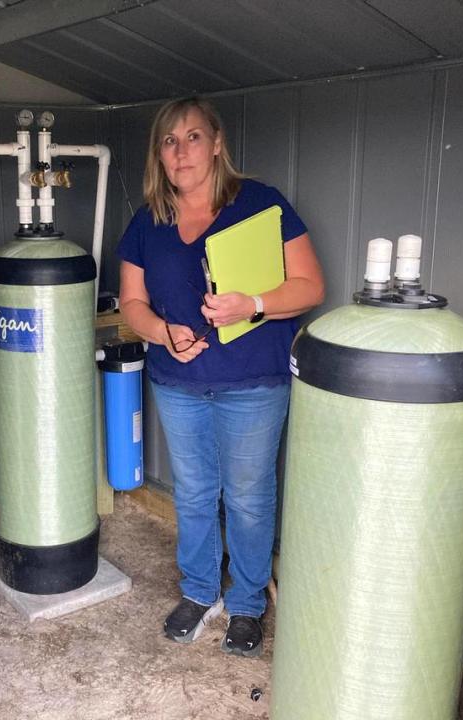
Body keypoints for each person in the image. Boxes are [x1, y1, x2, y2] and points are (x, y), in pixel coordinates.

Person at [116, 97, 324, 657]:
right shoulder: (148, 221)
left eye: (192, 137)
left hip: (253, 382)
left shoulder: (260, 205)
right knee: (194, 494)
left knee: (251, 498)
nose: (180, 151)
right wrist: (162, 332)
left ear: (216, 144)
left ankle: (248, 603)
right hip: (177, 382)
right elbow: (131, 303)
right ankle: (202, 591)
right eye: (168, 141)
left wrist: (252, 304)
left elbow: (309, 286)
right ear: (158, 154)